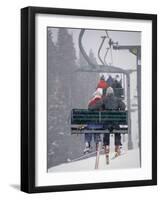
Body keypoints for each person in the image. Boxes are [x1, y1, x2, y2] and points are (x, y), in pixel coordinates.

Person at [102, 87, 126, 163]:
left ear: (107, 93)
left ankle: (106, 146)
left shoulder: (104, 100)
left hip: (107, 123)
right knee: (117, 131)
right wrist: (119, 110)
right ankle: (117, 145)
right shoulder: (117, 99)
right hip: (115, 123)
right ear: (113, 93)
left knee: (106, 131)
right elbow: (123, 106)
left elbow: (98, 107)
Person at [84, 88, 103, 154]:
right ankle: (98, 143)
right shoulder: (102, 102)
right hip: (100, 125)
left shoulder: (90, 103)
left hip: (91, 124)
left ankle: (87, 143)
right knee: (97, 129)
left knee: (89, 128)